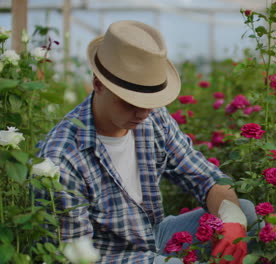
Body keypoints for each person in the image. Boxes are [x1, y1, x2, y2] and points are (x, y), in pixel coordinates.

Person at [36, 20, 257, 264]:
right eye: (130, 102)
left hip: (154, 236)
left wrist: (233, 220)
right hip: (107, 256)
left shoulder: (153, 119)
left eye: (150, 101)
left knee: (241, 212)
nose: (143, 113)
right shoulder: (62, 157)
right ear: (98, 84)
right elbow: (70, 256)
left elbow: (205, 177)